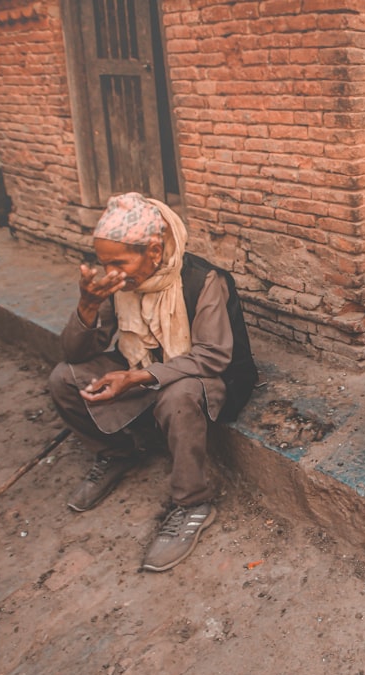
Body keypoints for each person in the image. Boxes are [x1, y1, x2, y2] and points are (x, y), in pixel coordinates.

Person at [48, 192, 257, 572]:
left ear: (155, 251)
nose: (109, 272)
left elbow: (213, 356)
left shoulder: (204, 281)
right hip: (141, 368)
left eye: (118, 261)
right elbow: (76, 353)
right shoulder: (120, 286)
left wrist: (139, 376)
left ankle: (192, 503)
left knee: (176, 396)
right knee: (64, 378)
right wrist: (88, 306)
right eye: (103, 262)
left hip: (205, 380)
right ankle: (117, 453)